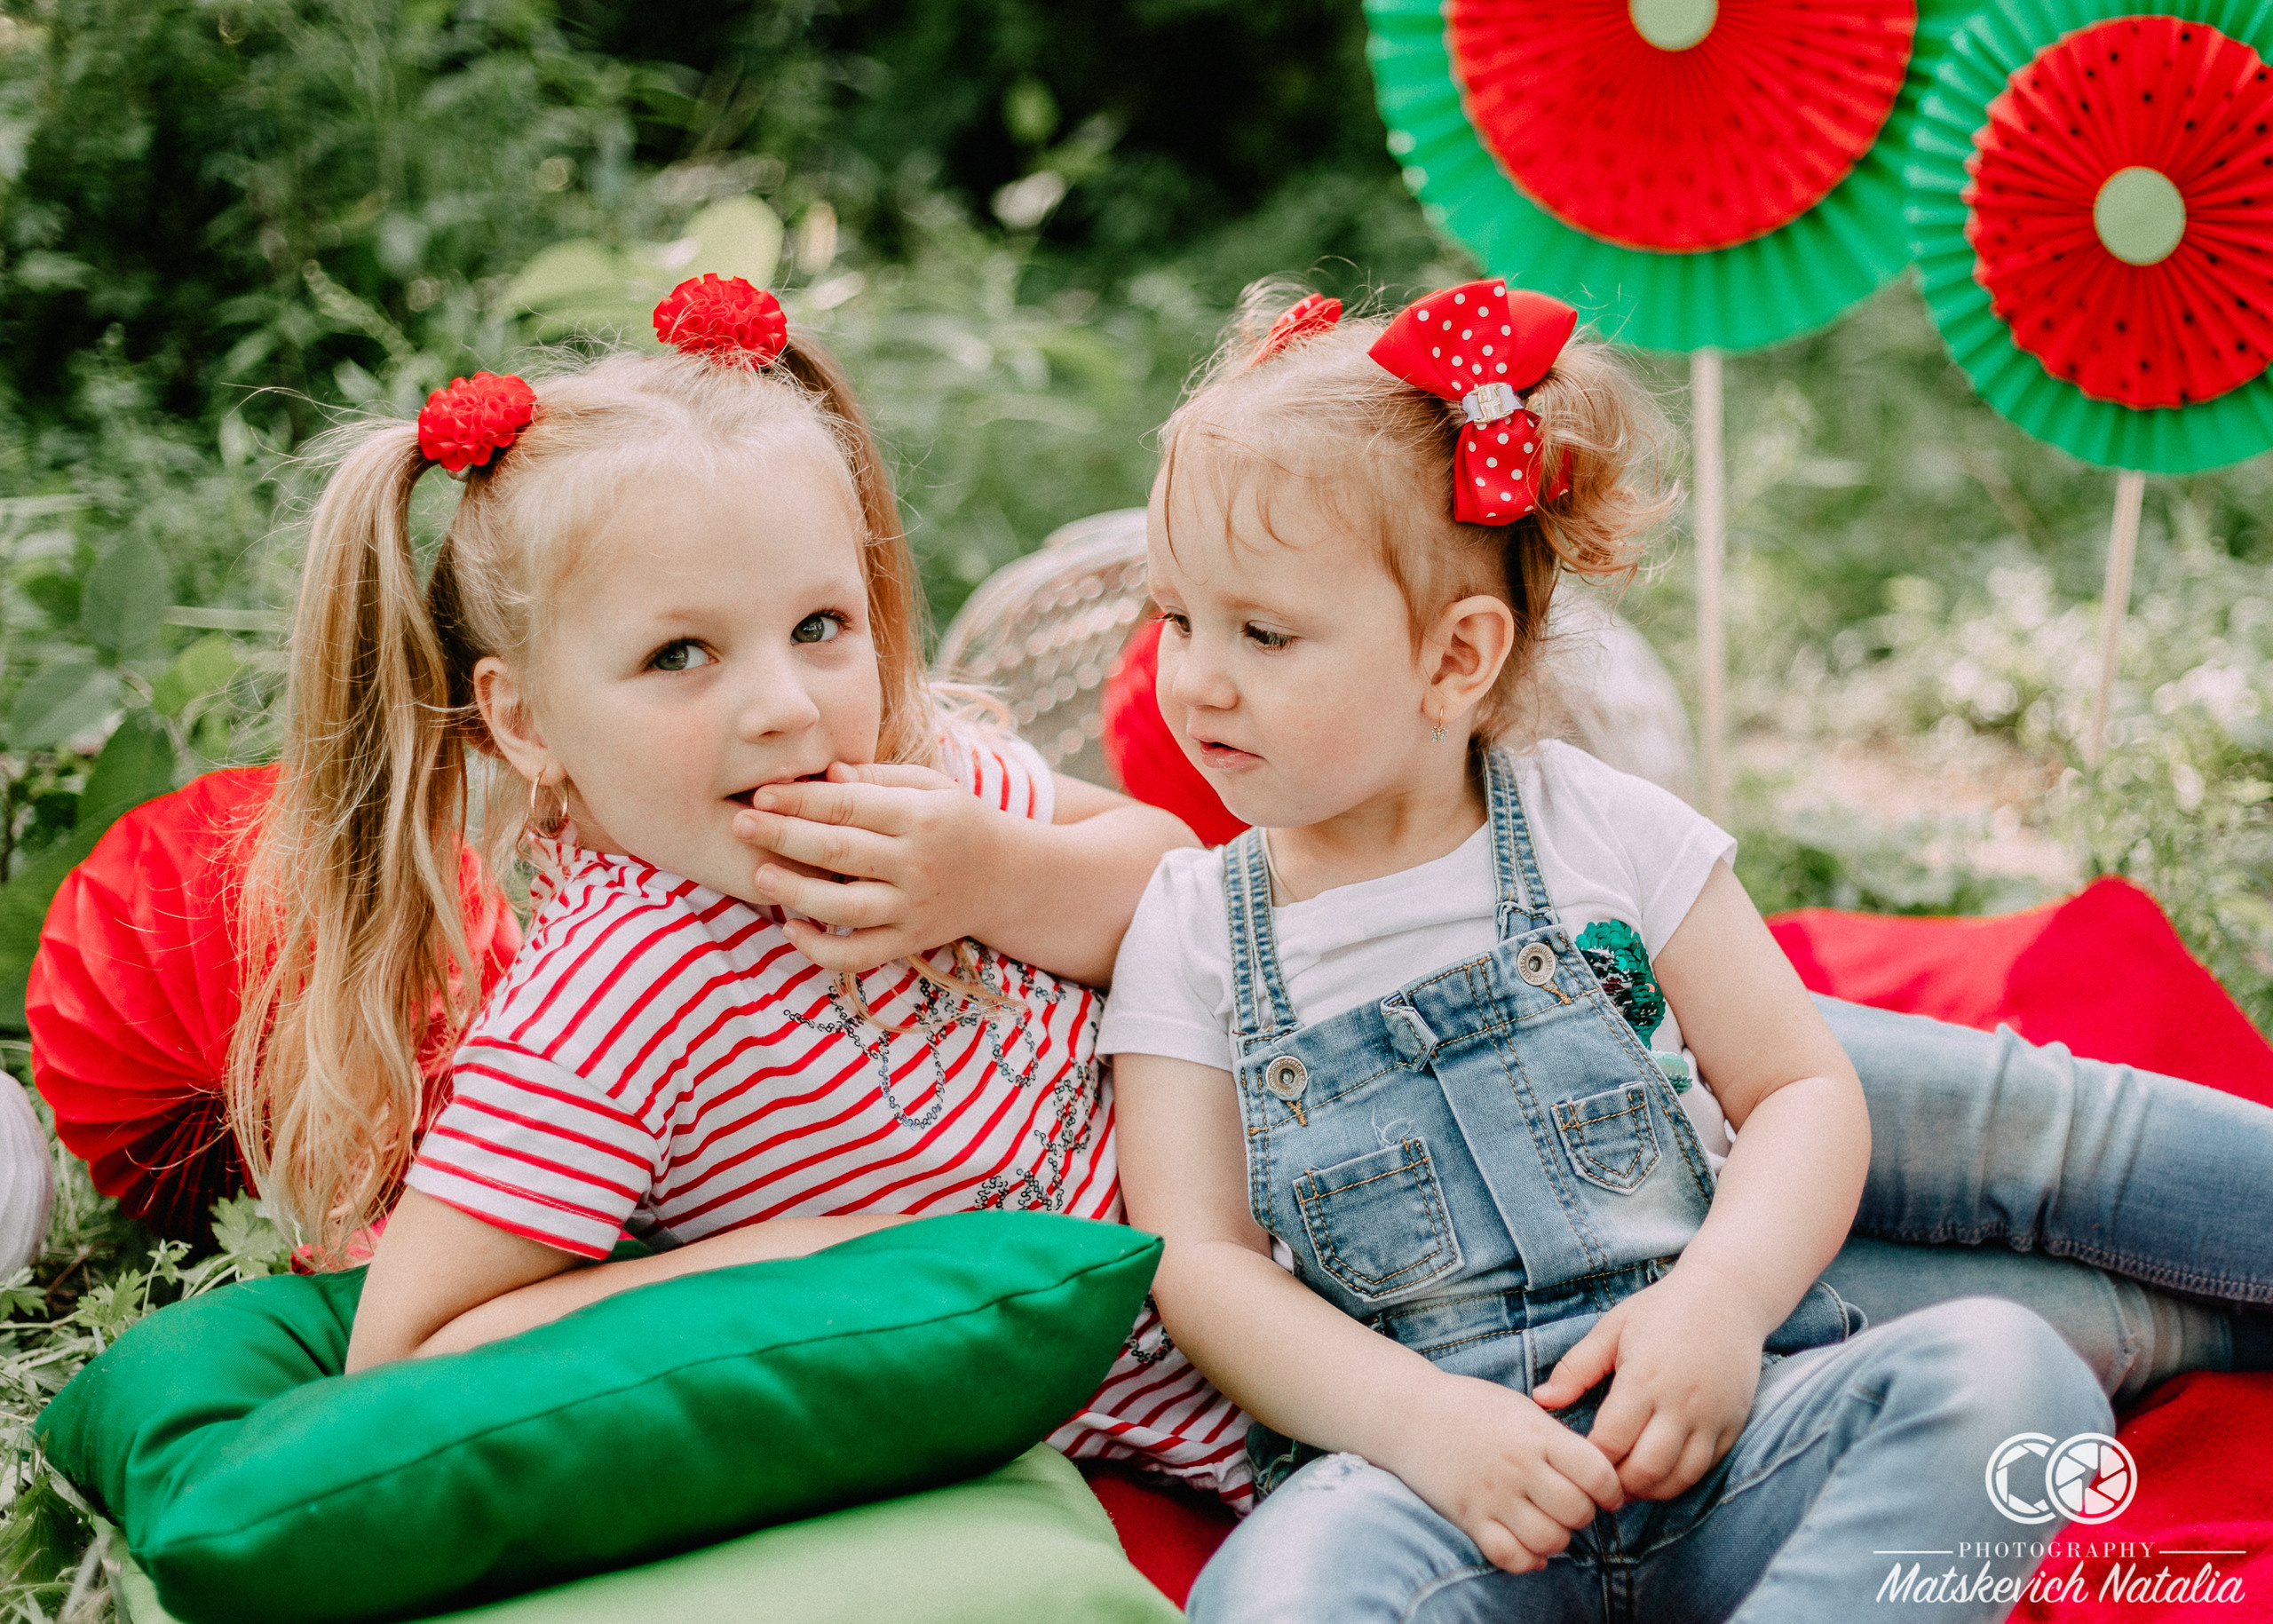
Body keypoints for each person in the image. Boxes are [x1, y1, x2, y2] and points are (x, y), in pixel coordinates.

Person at [1100, 280, 2175, 1621]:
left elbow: (1797, 1086)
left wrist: (1720, 1305)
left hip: (1723, 1429)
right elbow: (1198, 1259)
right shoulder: (1194, 923)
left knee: (2012, 1378)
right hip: (1422, 1498)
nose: (1191, 677)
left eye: (1260, 633)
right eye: (1176, 617)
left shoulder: (1593, 829)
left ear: (1454, 659)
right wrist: (1426, 1424)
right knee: (1279, 1600)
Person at [230, 274, 1247, 1496]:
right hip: (1203, 1414)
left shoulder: (903, 777)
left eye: (818, 625)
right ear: (524, 718)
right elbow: (408, 1353)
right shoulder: (621, 994)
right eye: (680, 653)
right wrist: (788, 1260)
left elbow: (1181, 887)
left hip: (1291, 1206)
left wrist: (994, 874)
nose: (784, 704)